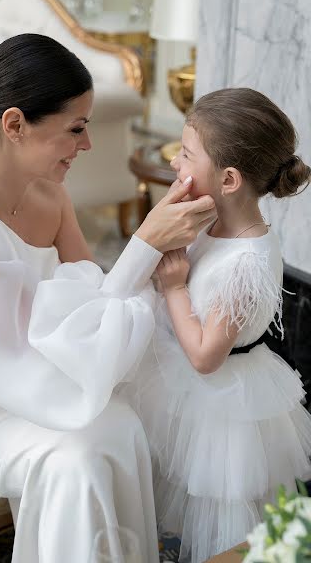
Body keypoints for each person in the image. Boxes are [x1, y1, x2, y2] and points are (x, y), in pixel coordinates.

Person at [0, 34, 216, 563]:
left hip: (29, 382)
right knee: (72, 458)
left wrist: (153, 249)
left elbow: (90, 309)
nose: (88, 145)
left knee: (118, 427)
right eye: (76, 128)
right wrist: (143, 243)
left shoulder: (50, 198)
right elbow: (29, 360)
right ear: (13, 125)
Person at [129, 88, 311, 563]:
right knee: (172, 490)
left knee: (214, 510)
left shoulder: (245, 264)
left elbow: (207, 356)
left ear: (228, 179)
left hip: (223, 410)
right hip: (187, 395)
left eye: (186, 154)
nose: (175, 163)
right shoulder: (211, 222)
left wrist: (174, 289)